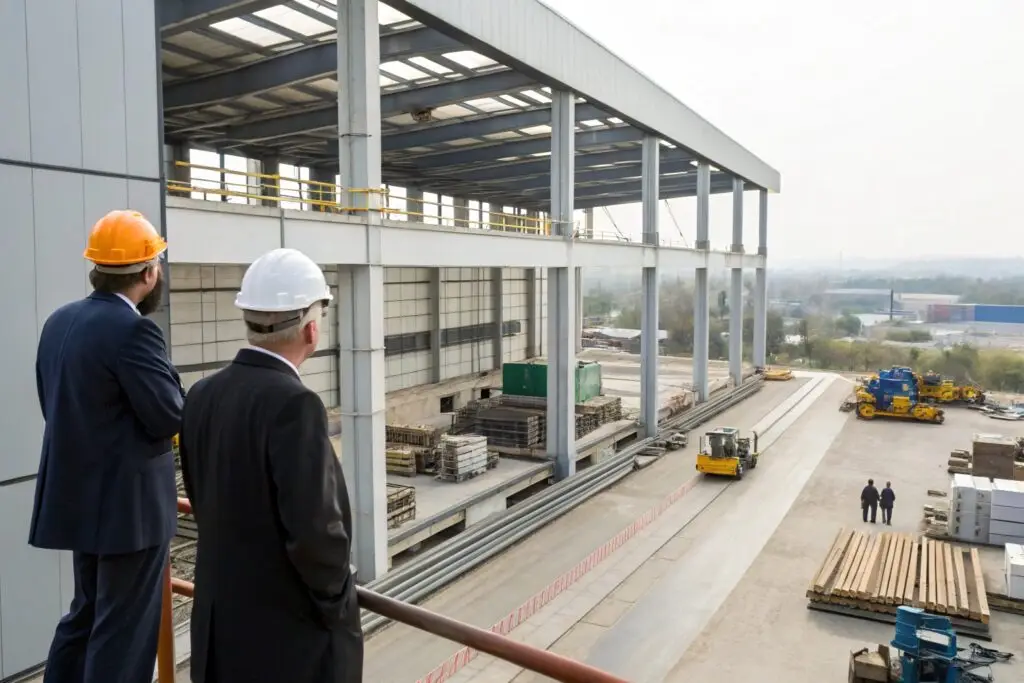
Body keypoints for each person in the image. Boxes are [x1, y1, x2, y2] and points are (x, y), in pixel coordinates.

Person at [180, 248, 363, 683]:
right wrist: (338, 602)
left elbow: (201, 494)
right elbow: (316, 532)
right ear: (312, 328)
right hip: (282, 644)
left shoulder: (202, 395)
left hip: (219, 631)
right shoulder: (294, 404)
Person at [31, 210, 184, 683]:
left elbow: (52, 402)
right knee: (123, 632)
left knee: (85, 615)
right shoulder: (134, 330)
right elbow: (169, 415)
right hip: (129, 513)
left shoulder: (60, 321)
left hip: (80, 501)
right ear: (148, 272)